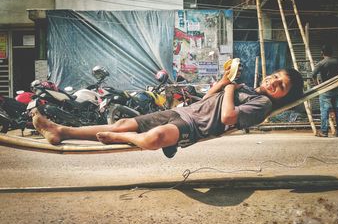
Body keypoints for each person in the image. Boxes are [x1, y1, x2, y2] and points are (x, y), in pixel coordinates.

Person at [32, 67, 304, 158]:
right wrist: (221, 84)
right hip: (185, 111)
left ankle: (123, 138)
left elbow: (228, 118)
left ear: (283, 95)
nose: (274, 82)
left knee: (154, 138)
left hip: (196, 128)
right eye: (276, 76)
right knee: (124, 122)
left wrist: (231, 89)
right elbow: (208, 100)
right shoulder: (245, 87)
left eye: (282, 86)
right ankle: (60, 130)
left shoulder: (262, 104)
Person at [312, 44, 338, 137]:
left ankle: (324, 132)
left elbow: (313, 75)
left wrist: (318, 85)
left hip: (325, 90)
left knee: (325, 111)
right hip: (337, 90)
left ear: (322, 53)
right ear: (332, 52)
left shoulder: (321, 63)